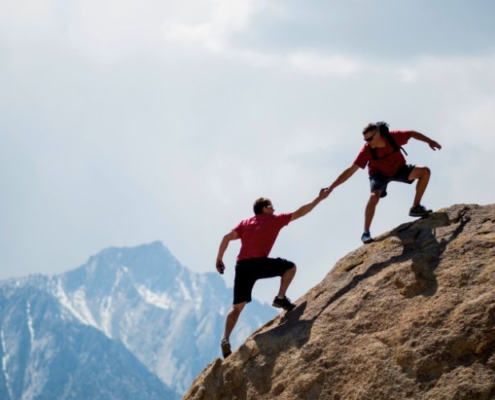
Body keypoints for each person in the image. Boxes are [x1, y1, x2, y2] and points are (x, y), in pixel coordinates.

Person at [215, 189, 330, 358]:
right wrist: (319, 198)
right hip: (258, 263)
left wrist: (219, 259)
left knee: (237, 306)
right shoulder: (274, 220)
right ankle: (281, 297)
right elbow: (301, 212)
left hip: (242, 265)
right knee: (290, 267)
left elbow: (226, 237)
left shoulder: (245, 223)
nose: (274, 209)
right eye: (272, 207)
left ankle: (225, 339)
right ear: (265, 208)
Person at [324, 121, 442, 244]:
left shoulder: (393, 137)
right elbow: (350, 171)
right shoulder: (367, 150)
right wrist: (331, 187)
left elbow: (412, 133)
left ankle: (416, 207)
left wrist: (429, 141)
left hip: (398, 169)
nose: (368, 142)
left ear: (378, 134)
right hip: (379, 175)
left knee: (425, 172)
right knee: (374, 196)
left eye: (370, 139)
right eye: (365, 140)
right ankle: (366, 233)